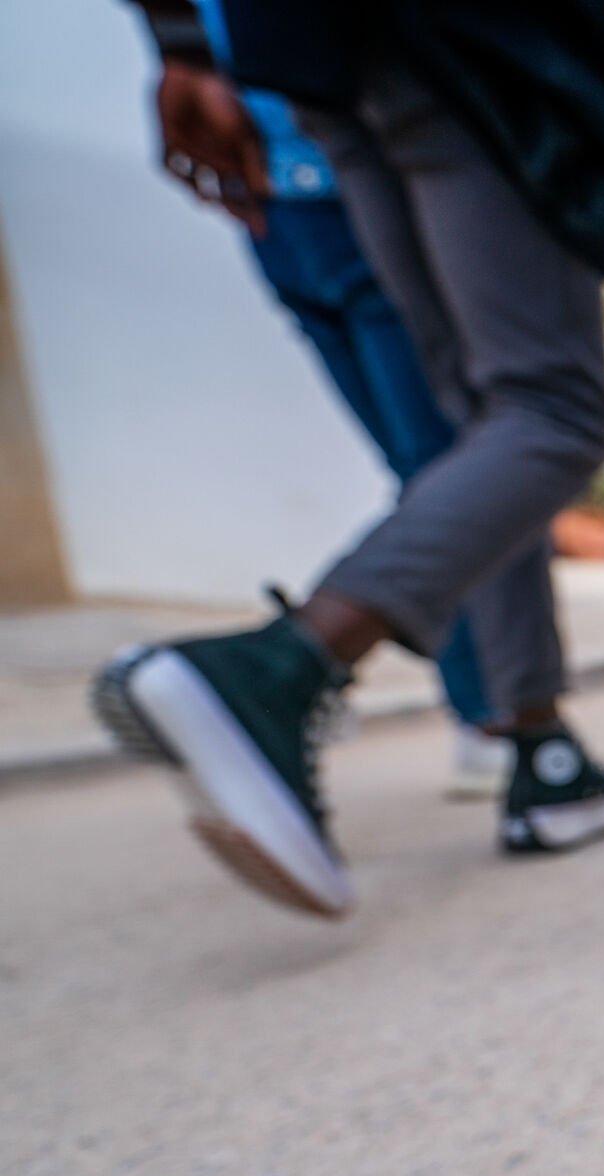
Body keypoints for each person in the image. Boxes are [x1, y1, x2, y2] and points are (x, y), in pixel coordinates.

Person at [95, 0, 604, 918]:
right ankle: (277, 671)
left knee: (482, 420)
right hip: (473, 45)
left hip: (327, 59)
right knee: (552, 415)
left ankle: (538, 751)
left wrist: (182, 47)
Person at [154, 0, 510, 801]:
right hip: (343, 170)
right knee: (491, 454)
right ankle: (281, 676)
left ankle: (494, 716)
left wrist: (180, 49)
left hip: (275, 192)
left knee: (444, 465)